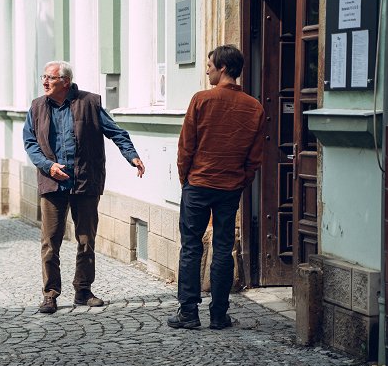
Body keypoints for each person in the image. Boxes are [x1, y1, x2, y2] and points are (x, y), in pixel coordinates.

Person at [23, 61, 145, 314]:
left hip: (85, 180)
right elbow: (30, 143)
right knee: (50, 242)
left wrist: (132, 156)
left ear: (65, 82)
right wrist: (47, 166)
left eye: (50, 78)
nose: (44, 82)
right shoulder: (36, 107)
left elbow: (116, 132)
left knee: (86, 240)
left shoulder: (89, 103)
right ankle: (50, 294)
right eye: (43, 77)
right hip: (53, 182)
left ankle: (83, 290)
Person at [167, 45, 264, 330]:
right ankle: (219, 315)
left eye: (209, 65)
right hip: (230, 186)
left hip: (199, 183)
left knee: (191, 248)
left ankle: (188, 313)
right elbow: (255, 156)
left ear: (222, 67)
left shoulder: (202, 100)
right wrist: (240, 180)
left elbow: (186, 146)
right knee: (223, 248)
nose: (207, 69)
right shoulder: (254, 107)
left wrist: (186, 179)